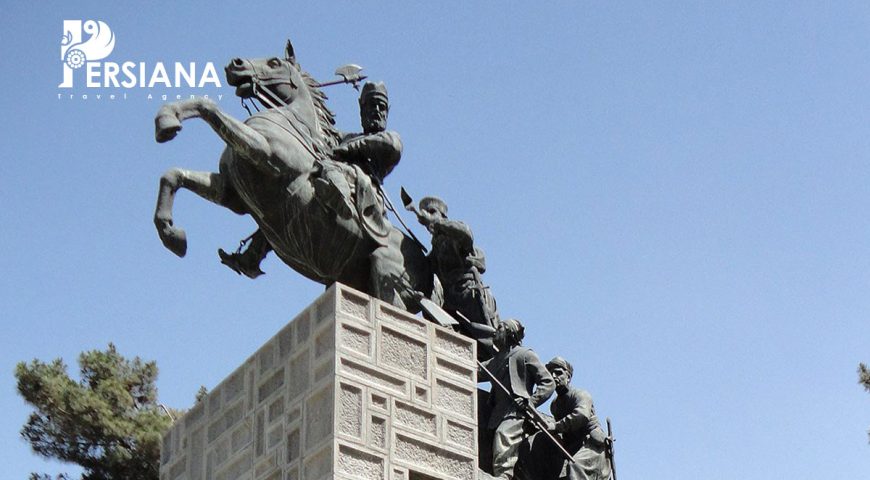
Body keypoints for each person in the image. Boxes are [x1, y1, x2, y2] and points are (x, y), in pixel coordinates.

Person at [219, 81, 402, 278]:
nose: (376, 110)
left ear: (387, 111)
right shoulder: (344, 136)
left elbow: (389, 145)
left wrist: (345, 149)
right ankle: (254, 254)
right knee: (289, 193)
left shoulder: (390, 138)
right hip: (331, 176)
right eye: (371, 105)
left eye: (381, 106)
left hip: (363, 193)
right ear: (361, 108)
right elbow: (315, 136)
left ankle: (340, 203)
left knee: (329, 171)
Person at [415, 196, 499, 359]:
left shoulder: (453, 234)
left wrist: (436, 222)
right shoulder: (436, 246)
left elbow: (466, 234)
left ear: (443, 216)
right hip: (449, 301)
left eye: (433, 211)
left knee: (488, 339)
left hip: (467, 294)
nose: (428, 216)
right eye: (427, 213)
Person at [479, 319, 554, 479]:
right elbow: (476, 370)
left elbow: (548, 382)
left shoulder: (525, 354)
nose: (494, 331)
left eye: (499, 327)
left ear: (509, 332)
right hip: (498, 412)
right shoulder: (495, 361)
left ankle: (504, 476)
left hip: (516, 411)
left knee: (503, 435)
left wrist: (531, 401)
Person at [515, 357, 611, 480]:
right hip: (573, 445)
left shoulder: (580, 395)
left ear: (568, 377)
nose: (554, 376)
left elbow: (582, 415)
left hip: (592, 446)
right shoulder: (555, 405)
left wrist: (556, 426)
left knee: (575, 467)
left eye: (559, 373)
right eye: (551, 374)